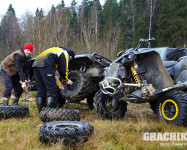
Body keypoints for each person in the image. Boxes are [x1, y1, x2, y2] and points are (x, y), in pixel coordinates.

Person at [32, 46, 75, 112]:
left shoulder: (55, 51)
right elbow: (63, 70)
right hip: (46, 65)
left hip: (36, 65)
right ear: (70, 56)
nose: (70, 60)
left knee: (41, 90)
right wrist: (66, 80)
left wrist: (59, 84)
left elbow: (53, 73)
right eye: (71, 59)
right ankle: (50, 113)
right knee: (52, 90)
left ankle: (41, 113)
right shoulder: (64, 54)